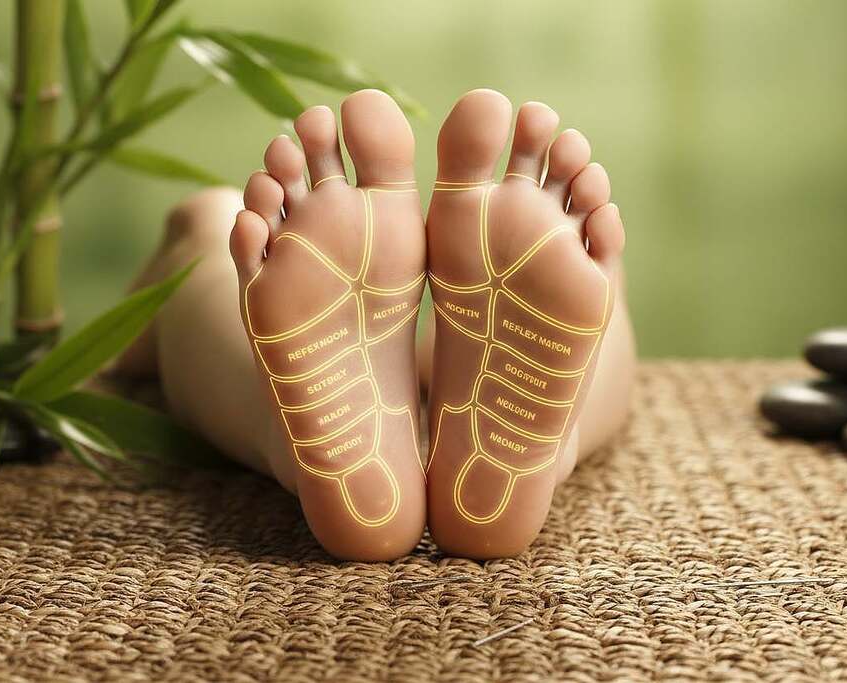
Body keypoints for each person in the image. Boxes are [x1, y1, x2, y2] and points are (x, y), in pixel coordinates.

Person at [117, 89, 635, 561]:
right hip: (472, 332)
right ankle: (553, 451)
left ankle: (284, 443)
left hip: (261, 312)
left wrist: (130, 349)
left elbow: (126, 357)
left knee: (207, 224)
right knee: (590, 263)